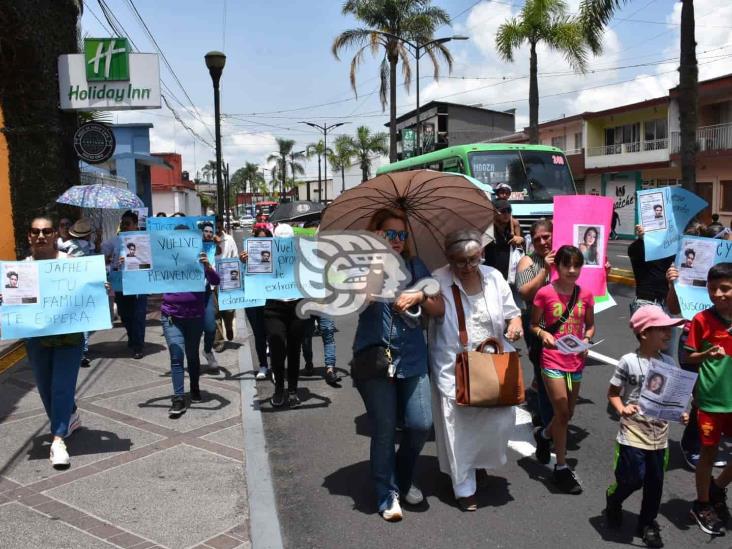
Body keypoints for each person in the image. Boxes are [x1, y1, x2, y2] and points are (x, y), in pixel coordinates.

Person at [352, 207, 444, 521]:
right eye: (389, 234)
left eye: (401, 235)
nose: (396, 240)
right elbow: (361, 301)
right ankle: (386, 491)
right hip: (376, 359)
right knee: (384, 428)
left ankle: (403, 478)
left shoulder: (416, 265)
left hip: (413, 358)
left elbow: (439, 306)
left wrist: (419, 295)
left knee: (420, 424)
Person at [429, 229, 522, 511]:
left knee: (495, 421)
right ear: (448, 259)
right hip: (453, 363)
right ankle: (463, 485)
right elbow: (430, 313)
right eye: (460, 262)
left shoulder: (493, 276)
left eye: (473, 259)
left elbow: (512, 311)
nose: (468, 267)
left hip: (492, 361)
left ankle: (477, 463)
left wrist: (514, 324)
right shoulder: (437, 280)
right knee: (458, 426)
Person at [605, 306, 686, 548]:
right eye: (661, 329)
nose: (668, 333)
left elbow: (672, 396)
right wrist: (621, 409)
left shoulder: (668, 361)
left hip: (659, 435)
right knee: (633, 478)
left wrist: (682, 413)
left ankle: (647, 523)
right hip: (632, 432)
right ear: (643, 333)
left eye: (669, 328)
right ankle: (614, 498)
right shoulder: (628, 362)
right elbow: (613, 393)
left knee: (655, 483)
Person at [18, 216, 85, 468]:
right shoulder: (21, 268)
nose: (41, 236)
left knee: (61, 385)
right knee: (46, 387)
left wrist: (101, 288)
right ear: (29, 236)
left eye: (46, 231)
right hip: (37, 337)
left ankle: (58, 440)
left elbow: (87, 292)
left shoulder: (71, 264)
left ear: (55, 234)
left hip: (69, 337)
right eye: (36, 232)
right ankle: (70, 415)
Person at [530, 245, 595, 494]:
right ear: (556, 266)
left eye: (576, 265)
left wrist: (587, 340)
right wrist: (544, 333)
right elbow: (533, 324)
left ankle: (544, 434)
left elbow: (590, 327)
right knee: (562, 410)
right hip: (552, 358)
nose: (571, 270)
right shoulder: (545, 293)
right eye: (566, 265)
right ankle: (561, 467)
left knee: (567, 415)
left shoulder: (586, 295)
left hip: (576, 360)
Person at [685, 263, 732, 536]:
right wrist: (706, 355)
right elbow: (688, 356)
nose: (718, 294)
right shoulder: (702, 320)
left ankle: (717, 488)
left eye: (725, 288)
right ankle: (702, 503)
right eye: (713, 289)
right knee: (708, 454)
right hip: (711, 401)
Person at [162, 225, 221, 418]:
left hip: (195, 315)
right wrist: (127, 264)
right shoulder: (165, 260)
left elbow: (216, 280)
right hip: (171, 315)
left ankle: (194, 387)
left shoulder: (199, 258)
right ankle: (178, 398)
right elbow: (144, 276)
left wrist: (207, 266)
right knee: (176, 356)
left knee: (192, 355)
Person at [516, 219, 555, 431]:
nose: (542, 242)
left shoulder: (565, 256)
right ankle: (548, 427)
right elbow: (524, 292)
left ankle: (538, 396)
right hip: (538, 326)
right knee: (545, 373)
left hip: (565, 326)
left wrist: (601, 270)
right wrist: (545, 270)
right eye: (537, 238)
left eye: (546, 236)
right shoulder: (527, 261)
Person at [114, 211, 147, 359]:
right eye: (122, 224)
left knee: (138, 315)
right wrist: (117, 262)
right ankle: (132, 336)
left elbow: (148, 262)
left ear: (135, 225)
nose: (124, 227)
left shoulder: (144, 240)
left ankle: (138, 345)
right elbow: (106, 255)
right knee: (124, 314)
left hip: (139, 284)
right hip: (121, 284)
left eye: (127, 224)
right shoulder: (117, 241)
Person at [243, 227, 271, 380]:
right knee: (259, 334)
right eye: (258, 240)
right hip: (254, 300)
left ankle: (277, 367)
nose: (262, 243)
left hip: (271, 300)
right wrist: (243, 262)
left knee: (274, 334)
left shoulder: (275, 255)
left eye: (265, 240)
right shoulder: (247, 256)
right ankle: (263, 365)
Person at [627, 225, 675, 315]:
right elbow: (632, 251)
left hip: (665, 303)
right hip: (647, 302)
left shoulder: (669, 248)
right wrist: (641, 239)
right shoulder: (640, 247)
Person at [483, 199, 524, 281]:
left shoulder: (513, 228)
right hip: (490, 275)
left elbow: (523, 250)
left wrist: (521, 239)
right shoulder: (487, 229)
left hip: (510, 277)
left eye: (509, 210)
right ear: (494, 212)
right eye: (503, 211)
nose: (506, 214)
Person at [214, 216, 239, 345]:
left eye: (219, 227)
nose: (217, 230)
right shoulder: (206, 241)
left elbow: (235, 258)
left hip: (227, 280)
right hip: (212, 283)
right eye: (215, 227)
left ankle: (228, 326)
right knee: (215, 312)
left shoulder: (229, 239)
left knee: (228, 311)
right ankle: (218, 341)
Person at [200, 221, 219, 370]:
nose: (208, 234)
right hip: (191, 293)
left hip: (207, 291)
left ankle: (207, 350)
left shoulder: (213, 246)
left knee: (211, 327)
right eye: (206, 231)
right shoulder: (192, 246)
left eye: (211, 232)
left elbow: (219, 252)